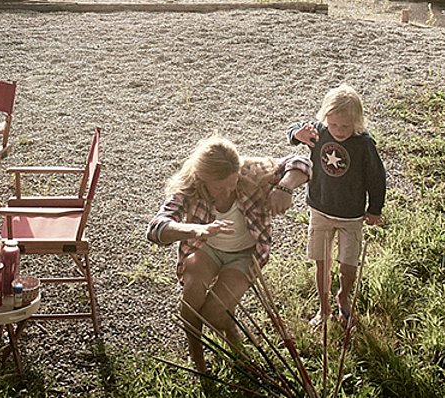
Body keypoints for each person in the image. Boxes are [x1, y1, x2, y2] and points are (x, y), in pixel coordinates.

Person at [147, 136, 311, 370]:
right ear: (202, 179)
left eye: (231, 184)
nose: (226, 192)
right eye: (217, 187)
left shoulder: (250, 171)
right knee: (192, 298)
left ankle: (230, 329)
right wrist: (197, 230)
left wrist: (285, 188)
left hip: (245, 255)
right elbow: (156, 228)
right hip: (206, 249)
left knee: (213, 315)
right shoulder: (190, 186)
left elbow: (302, 162)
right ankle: (197, 359)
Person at [287, 84, 386, 327]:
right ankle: (324, 308)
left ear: (357, 122)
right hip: (320, 208)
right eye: (334, 125)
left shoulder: (364, 144)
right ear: (325, 118)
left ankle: (344, 295)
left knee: (348, 264)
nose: (339, 131)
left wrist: (375, 209)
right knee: (322, 261)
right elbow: (295, 130)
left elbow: (377, 177)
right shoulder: (318, 132)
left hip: (351, 214)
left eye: (345, 126)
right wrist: (296, 134)